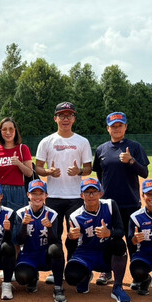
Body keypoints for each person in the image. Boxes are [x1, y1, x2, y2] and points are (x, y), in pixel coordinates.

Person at [35, 101, 92, 284]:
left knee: (74, 234)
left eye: (69, 115)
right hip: (53, 196)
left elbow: (89, 168)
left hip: (75, 196)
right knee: (54, 235)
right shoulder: (47, 141)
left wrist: (79, 172)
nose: (65, 119)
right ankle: (56, 269)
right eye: (62, 115)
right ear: (55, 118)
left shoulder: (82, 141)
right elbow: (38, 168)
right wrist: (48, 172)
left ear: (74, 119)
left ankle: (74, 265)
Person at [93, 112, 150, 285]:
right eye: (113, 126)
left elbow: (145, 173)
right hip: (108, 204)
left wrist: (131, 161)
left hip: (130, 202)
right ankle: (106, 271)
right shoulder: (101, 149)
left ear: (125, 127)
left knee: (132, 239)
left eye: (120, 125)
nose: (117, 128)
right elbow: (100, 174)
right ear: (108, 128)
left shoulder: (134, 147)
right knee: (107, 238)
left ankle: (138, 275)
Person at [64, 178, 131, 302]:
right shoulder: (74, 216)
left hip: (105, 252)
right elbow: (70, 247)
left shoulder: (110, 205)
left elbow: (121, 231)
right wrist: (70, 238)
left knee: (119, 244)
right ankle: (85, 275)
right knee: (72, 277)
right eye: (87, 192)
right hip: (85, 254)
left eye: (94, 191)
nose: (91, 195)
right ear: (81, 195)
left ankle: (117, 287)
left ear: (100, 193)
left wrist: (109, 233)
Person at [14, 179, 66, 302]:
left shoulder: (52, 214)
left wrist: (49, 228)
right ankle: (32, 278)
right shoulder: (21, 214)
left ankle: (58, 287)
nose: (37, 197)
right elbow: (18, 240)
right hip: (28, 255)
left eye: (40, 193)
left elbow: (55, 241)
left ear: (46, 196)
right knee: (22, 277)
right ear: (28, 195)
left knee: (56, 249)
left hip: (45, 256)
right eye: (34, 193)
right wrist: (24, 225)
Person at [0, 117, 34, 211]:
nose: (8, 132)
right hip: (0, 191)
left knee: (18, 222)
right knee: (2, 222)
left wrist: (18, 163)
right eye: (4, 129)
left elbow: (29, 173)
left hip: (18, 191)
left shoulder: (23, 148)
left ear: (15, 131)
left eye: (11, 129)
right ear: (0, 131)